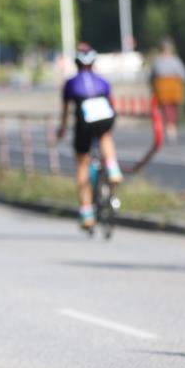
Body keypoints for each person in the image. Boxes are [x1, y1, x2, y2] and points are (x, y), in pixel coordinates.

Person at [57, 43, 123, 230]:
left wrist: (62, 130)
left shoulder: (70, 83)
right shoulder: (103, 81)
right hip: (105, 118)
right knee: (105, 136)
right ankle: (113, 168)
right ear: (93, 63)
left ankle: (86, 213)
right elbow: (111, 105)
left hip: (84, 123)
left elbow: (65, 112)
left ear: (76, 64)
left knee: (82, 164)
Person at [149, 38, 185, 142]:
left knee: (166, 110)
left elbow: (151, 77)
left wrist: (152, 86)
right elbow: (184, 75)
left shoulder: (158, 61)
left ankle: (170, 127)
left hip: (163, 89)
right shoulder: (175, 60)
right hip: (174, 88)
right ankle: (172, 127)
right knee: (173, 110)